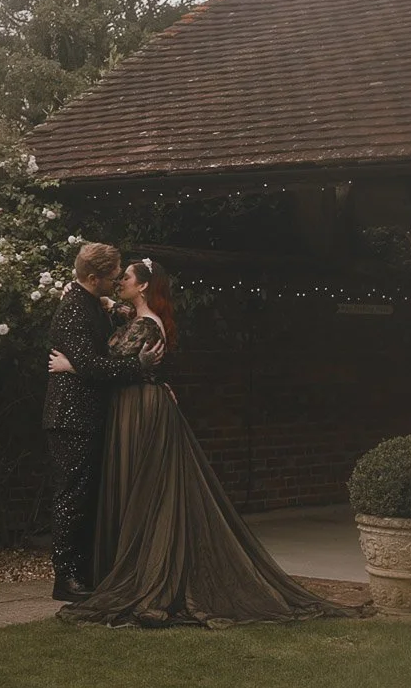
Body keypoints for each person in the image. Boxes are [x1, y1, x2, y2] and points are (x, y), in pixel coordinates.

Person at [50, 257, 364, 627]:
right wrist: (92, 299)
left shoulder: (146, 326)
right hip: (131, 409)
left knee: (148, 490)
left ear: (144, 286)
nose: (120, 280)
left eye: (128, 277)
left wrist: (75, 366)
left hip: (142, 412)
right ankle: (116, 566)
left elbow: (114, 363)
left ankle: (147, 569)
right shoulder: (132, 317)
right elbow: (117, 321)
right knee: (132, 487)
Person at [42, 242, 162, 602]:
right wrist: (138, 367)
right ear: (93, 278)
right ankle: (65, 579)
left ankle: (82, 571)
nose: (115, 282)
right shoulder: (74, 310)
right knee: (71, 497)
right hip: (71, 418)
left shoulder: (91, 302)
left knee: (84, 496)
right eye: (111, 278)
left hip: (86, 415)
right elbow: (94, 367)